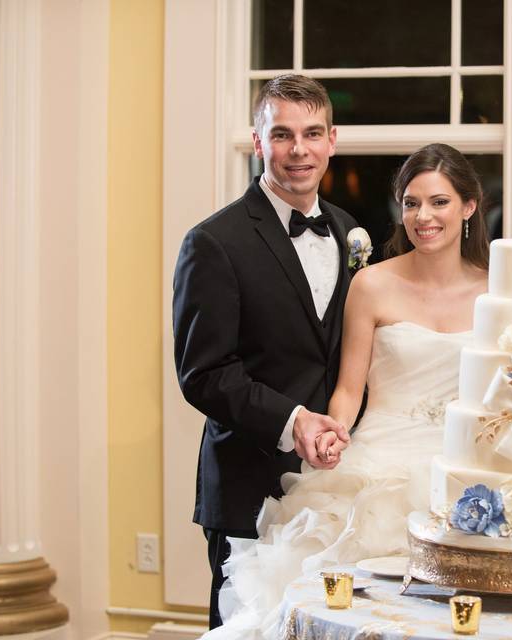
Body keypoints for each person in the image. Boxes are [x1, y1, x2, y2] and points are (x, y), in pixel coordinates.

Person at [203, 143, 489, 639]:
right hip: (379, 463)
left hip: (463, 462)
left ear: (468, 207)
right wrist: (330, 438)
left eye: (439, 202)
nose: (424, 216)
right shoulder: (372, 285)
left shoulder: (496, 293)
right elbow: (349, 389)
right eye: (411, 202)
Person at [172, 74, 356, 629]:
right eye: (281, 135)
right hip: (250, 486)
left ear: (331, 140)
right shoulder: (213, 242)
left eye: (311, 133)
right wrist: (292, 421)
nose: (298, 150)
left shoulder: (350, 233)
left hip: (334, 490)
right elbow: (203, 374)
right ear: (258, 143)